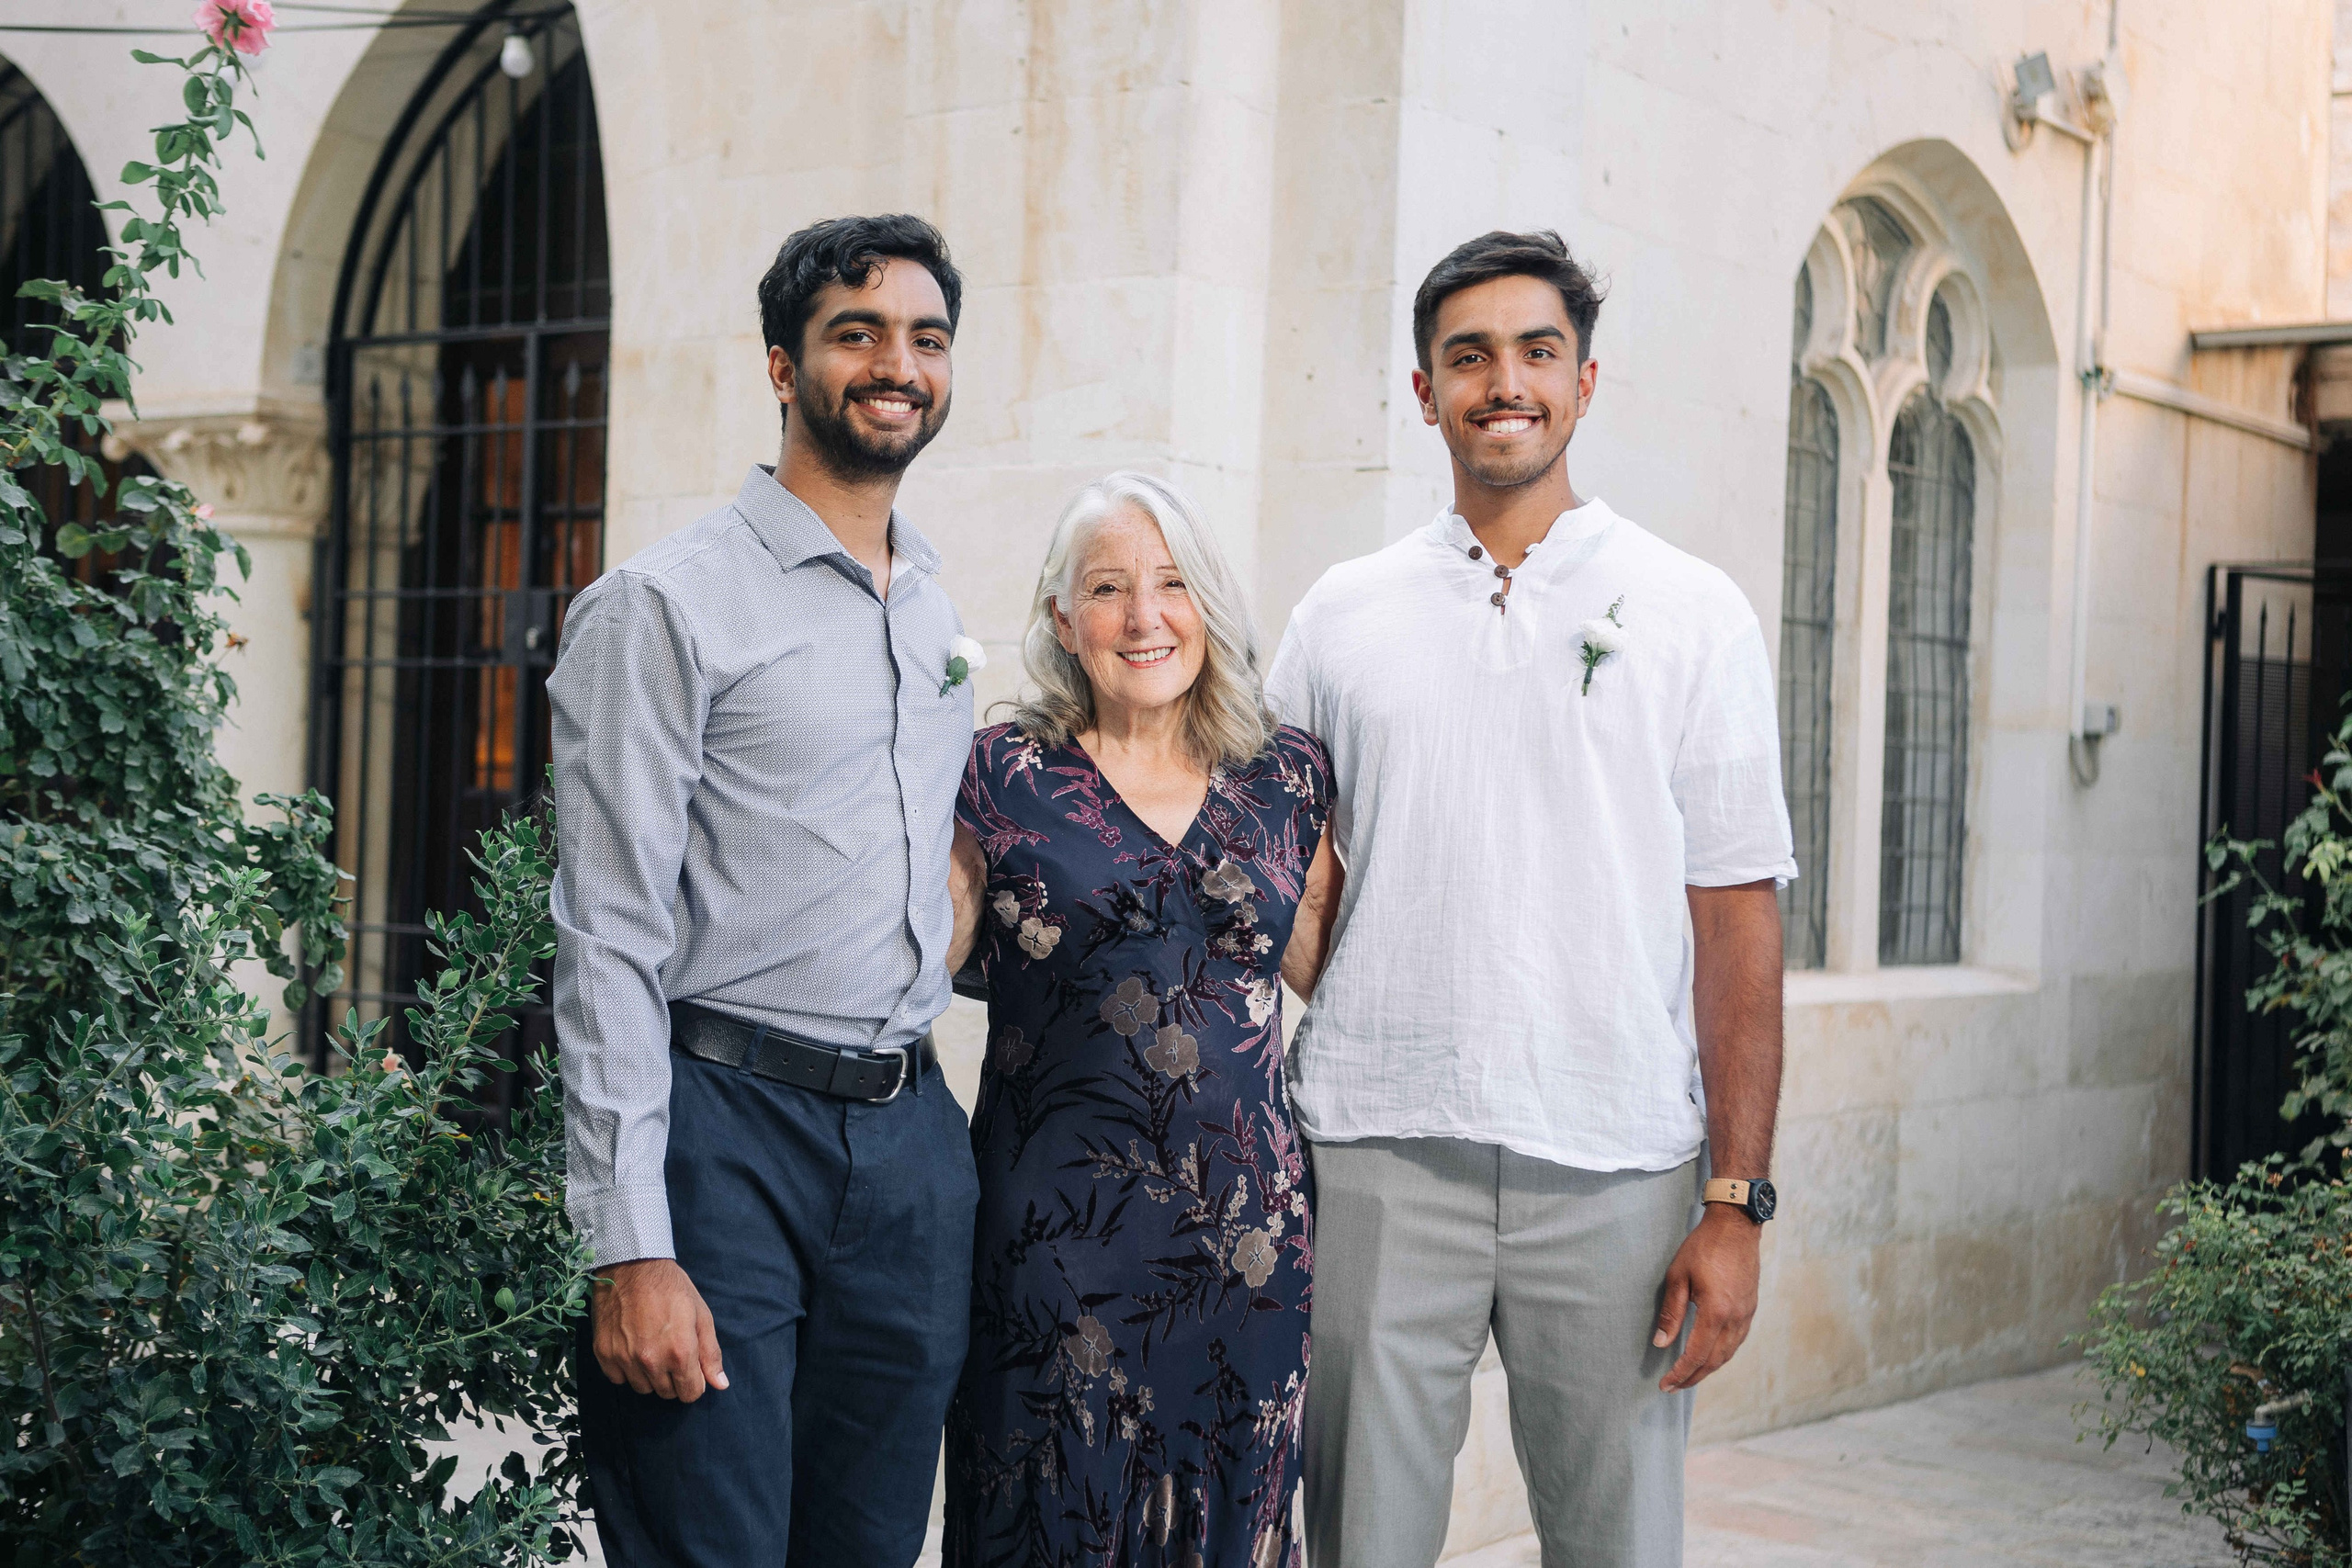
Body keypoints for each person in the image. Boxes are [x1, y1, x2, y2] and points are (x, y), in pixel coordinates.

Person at [1267, 230, 1792, 1568]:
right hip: (1378, 1149)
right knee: (1362, 1545)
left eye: (1535, 351)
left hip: (1615, 1163)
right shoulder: (1342, 614)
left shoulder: (1692, 610)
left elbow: (1737, 919)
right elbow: (1278, 877)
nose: (1504, 380)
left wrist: (1734, 1201)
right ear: (1424, 389)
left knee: (1617, 1548)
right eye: (1469, 355)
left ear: (1586, 379)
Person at [548, 213, 982, 1568]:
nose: (894, 363)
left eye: (924, 337)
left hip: (910, 1146)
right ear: (784, 365)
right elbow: (606, 933)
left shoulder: (931, 609)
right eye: (856, 332)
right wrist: (631, 1241)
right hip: (721, 1136)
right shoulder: (663, 606)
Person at [942, 472, 1341, 1568]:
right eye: (1107, 588)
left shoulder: (1285, 777)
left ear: (1206, 603)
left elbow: (1344, 970)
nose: (1143, 616)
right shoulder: (1000, 772)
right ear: (1064, 619)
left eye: (1171, 584)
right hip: (1049, 1253)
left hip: (1245, 1256)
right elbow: (917, 949)